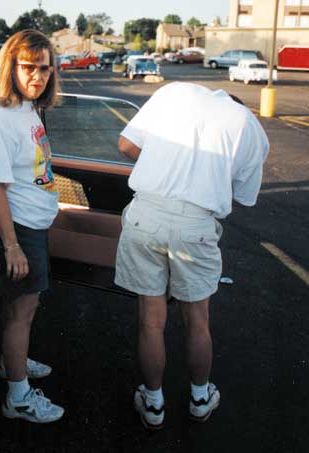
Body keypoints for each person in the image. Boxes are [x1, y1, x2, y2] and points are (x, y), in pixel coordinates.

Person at [115, 82, 269, 429]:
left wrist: (164, 163)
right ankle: (200, 398)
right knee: (197, 320)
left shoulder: (173, 93)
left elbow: (126, 145)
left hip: (146, 215)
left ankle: (153, 404)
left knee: (151, 321)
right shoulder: (248, 125)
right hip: (196, 226)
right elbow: (244, 196)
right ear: (237, 106)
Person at [0, 29, 64, 424]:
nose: (37, 76)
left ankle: (13, 360)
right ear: (10, 66)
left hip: (32, 222)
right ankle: (18, 396)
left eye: (44, 68)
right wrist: (12, 247)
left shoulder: (26, 108)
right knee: (21, 313)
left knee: (22, 306)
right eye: (28, 67)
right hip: (18, 227)